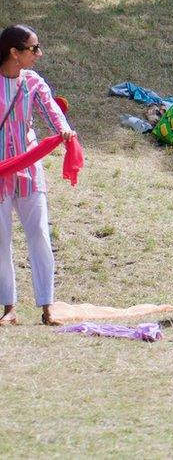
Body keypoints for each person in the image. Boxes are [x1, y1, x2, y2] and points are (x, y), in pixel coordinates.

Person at [0, 25, 77, 326]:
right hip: (0, 171)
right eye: (33, 49)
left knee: (40, 235)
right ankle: (9, 308)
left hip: (29, 169)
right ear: (14, 53)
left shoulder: (32, 81)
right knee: (1, 239)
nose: (39, 54)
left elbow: (51, 109)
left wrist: (64, 130)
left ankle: (47, 305)